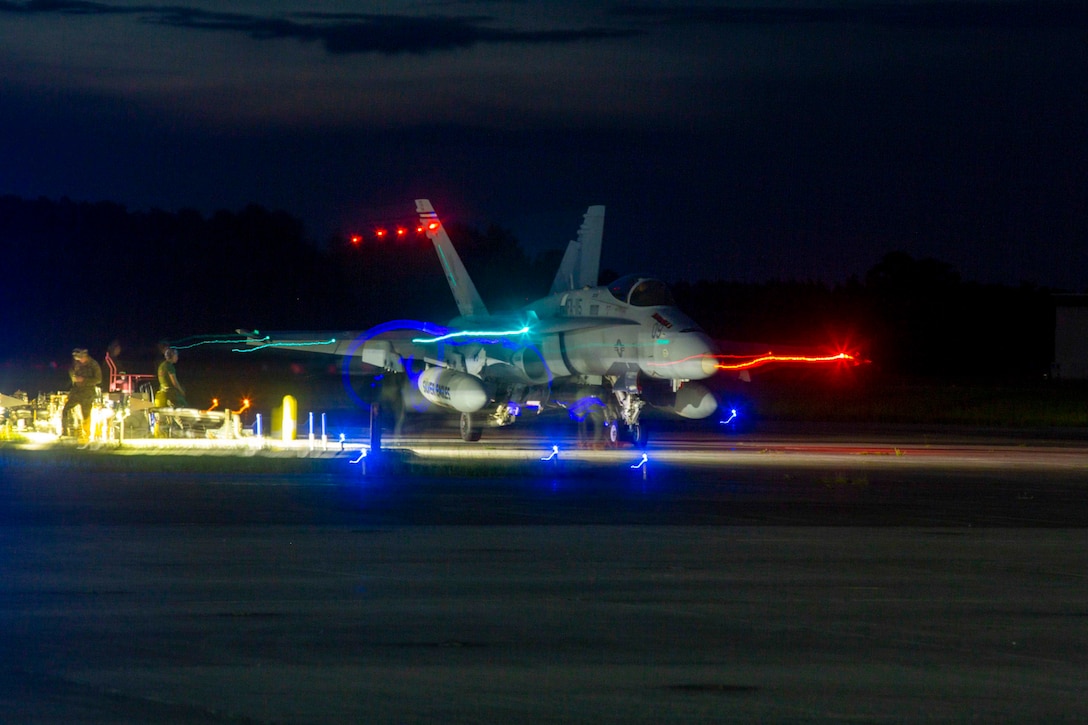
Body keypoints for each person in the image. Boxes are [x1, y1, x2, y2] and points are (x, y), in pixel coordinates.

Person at [61, 347, 102, 441]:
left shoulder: (93, 364)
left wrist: (84, 380)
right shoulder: (76, 363)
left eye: (79, 357)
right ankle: (65, 432)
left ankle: (86, 436)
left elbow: (98, 379)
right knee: (66, 410)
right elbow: (71, 370)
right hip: (76, 392)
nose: (78, 360)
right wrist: (73, 377)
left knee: (86, 415)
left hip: (87, 393)